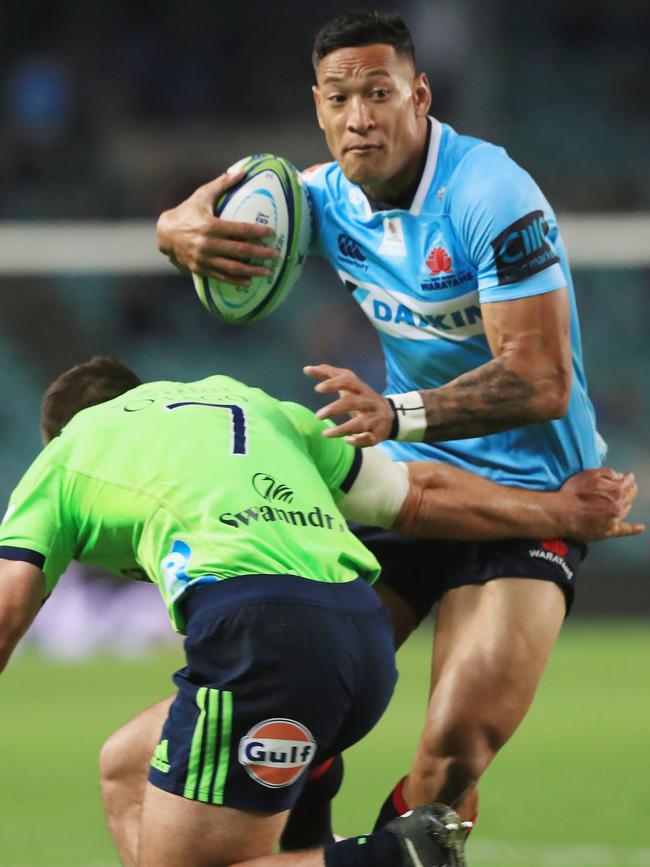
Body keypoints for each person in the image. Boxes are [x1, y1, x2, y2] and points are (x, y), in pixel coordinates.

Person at [153, 7, 629, 837]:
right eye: (339, 98)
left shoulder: (492, 196)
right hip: (411, 490)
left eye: (378, 92)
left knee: (454, 750)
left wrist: (396, 411)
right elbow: (205, 214)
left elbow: (542, 378)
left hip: (533, 492)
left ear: (420, 94)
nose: (359, 116)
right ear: (318, 106)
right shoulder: (318, 199)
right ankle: (312, 843)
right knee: (301, 692)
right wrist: (174, 231)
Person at [0, 356, 640, 867]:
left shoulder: (68, 454)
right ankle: (323, 780)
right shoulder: (255, 406)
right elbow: (416, 499)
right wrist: (558, 514)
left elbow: (7, 610)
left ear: (64, 428)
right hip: (361, 629)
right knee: (126, 762)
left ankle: (394, 855)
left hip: (258, 639)